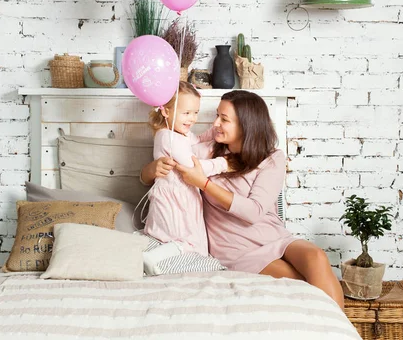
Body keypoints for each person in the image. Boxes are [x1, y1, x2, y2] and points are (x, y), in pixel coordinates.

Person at [140, 90, 344, 308]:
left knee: (317, 257)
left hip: (273, 236)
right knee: (300, 283)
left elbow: (254, 212)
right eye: (217, 115)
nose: (215, 123)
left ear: (246, 125)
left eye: (224, 119)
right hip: (235, 249)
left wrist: (204, 184)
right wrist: (151, 169)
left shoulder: (271, 157)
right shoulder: (204, 152)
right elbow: (158, 174)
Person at [142, 81, 229, 275]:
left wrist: (214, 133)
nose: (192, 119)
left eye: (195, 112)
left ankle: (161, 259)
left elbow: (196, 140)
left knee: (190, 239)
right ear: (166, 111)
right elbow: (192, 167)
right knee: (184, 240)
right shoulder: (167, 136)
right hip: (173, 198)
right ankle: (152, 258)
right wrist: (222, 164)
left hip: (184, 196)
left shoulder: (180, 132)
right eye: (186, 113)